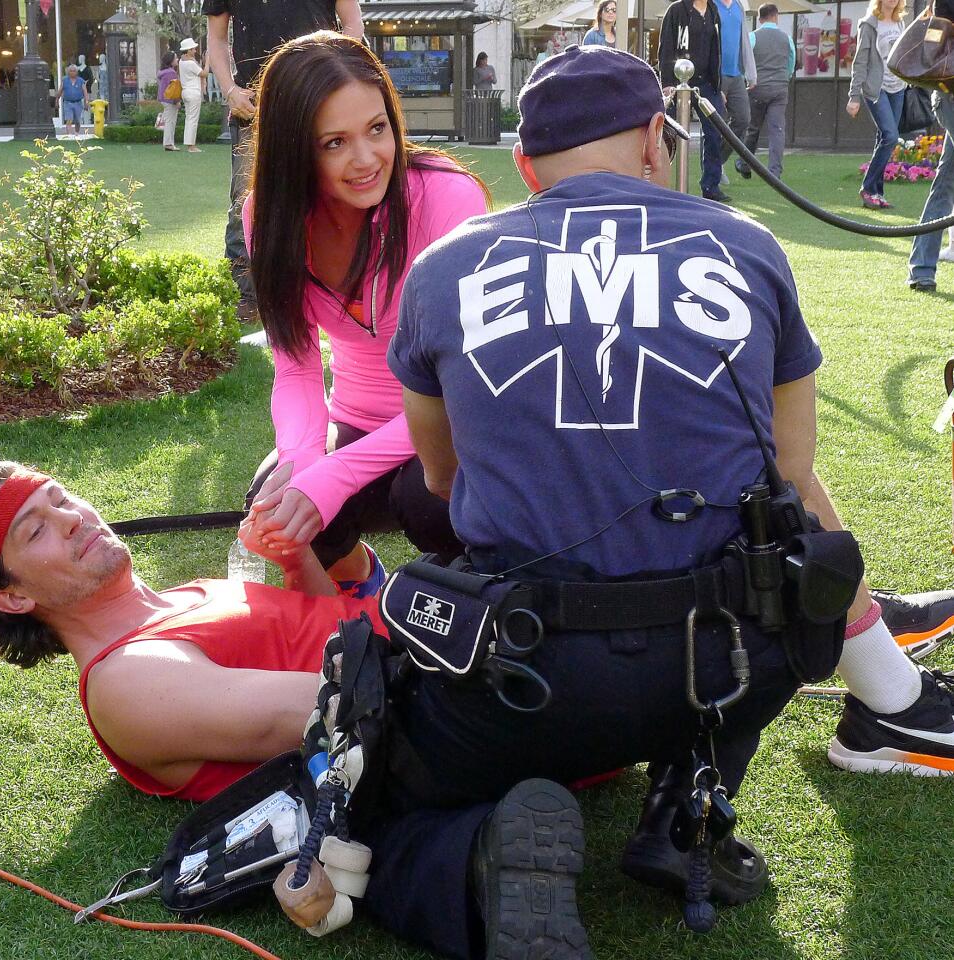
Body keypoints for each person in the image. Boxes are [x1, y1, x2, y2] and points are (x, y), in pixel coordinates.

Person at [377, 45, 954, 955]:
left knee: (379, 802)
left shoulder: (443, 270)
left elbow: (442, 482)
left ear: (524, 165)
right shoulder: (751, 246)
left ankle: (477, 854)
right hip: (724, 665)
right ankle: (688, 799)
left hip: (526, 678)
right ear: (656, 138)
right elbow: (792, 471)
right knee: (768, 551)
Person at [0, 461, 387, 802]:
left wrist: (294, 556)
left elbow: (326, 631)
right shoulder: (128, 679)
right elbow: (340, 708)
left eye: (60, 499)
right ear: (14, 598)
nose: (71, 520)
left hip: (414, 638)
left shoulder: (182, 598)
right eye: (35, 532)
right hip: (425, 679)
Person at [240, 32, 489, 596]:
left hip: (451, 422)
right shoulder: (270, 215)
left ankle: (468, 618)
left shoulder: (449, 200)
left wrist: (334, 475)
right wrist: (305, 462)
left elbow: (461, 387)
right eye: (334, 142)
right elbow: (297, 366)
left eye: (378, 129)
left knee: (428, 502)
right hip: (354, 417)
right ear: (293, 149)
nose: (366, 159)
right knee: (276, 500)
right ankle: (358, 596)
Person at [203, 0, 365, 324]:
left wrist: (334, 78)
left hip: (317, 96)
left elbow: (353, 26)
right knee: (245, 204)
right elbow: (216, 39)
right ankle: (246, 297)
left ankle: (334, 291)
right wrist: (230, 90)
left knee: (331, 194)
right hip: (252, 102)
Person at [659, 0, 731, 201]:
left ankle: (710, 186)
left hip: (706, 82)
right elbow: (666, 46)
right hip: (677, 80)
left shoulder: (713, 11)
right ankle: (661, 186)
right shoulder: (676, 10)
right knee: (667, 134)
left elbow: (716, 51)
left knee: (717, 130)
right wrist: (667, 82)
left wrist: (719, 86)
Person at [905, 0, 954, 291]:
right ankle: (921, 268)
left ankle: (921, 268)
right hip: (950, 95)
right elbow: (936, 38)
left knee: (945, 182)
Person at [847, 0, 907, 210]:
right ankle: (867, 187)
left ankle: (876, 194)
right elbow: (860, 61)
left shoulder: (901, 23)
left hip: (897, 87)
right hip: (876, 89)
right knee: (891, 136)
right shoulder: (869, 24)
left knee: (884, 138)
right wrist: (854, 96)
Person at [736, 4, 795, 182]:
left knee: (753, 128)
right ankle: (774, 172)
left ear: (760, 19)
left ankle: (744, 163)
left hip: (758, 88)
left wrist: (747, 79)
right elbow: (791, 62)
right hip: (780, 88)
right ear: (776, 16)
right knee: (777, 130)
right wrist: (786, 76)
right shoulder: (787, 38)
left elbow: (744, 59)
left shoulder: (753, 36)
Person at [714, 0, 757, 183]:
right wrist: (714, 80)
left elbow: (745, 39)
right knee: (714, 124)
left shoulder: (738, 6)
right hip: (716, 73)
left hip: (736, 73)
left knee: (743, 119)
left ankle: (718, 161)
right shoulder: (711, 5)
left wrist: (751, 72)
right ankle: (711, 170)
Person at [177, 37, 206, 154]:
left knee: (189, 118)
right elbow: (204, 73)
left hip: (186, 92)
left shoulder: (181, 61)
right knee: (193, 119)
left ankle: (189, 144)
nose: (195, 51)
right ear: (188, 50)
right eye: (193, 49)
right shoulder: (190, 63)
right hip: (193, 92)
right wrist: (207, 61)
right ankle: (191, 146)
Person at [157, 50, 182, 152]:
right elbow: (173, 89)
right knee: (170, 122)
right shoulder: (171, 73)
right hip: (170, 100)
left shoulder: (163, 73)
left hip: (164, 99)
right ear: (171, 61)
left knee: (169, 121)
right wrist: (177, 101)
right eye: (175, 58)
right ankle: (168, 143)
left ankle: (169, 143)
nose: (177, 60)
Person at [60, 63, 88, 136]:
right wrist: (56, 100)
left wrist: (86, 102)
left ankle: (76, 133)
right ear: (68, 72)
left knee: (77, 120)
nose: (72, 72)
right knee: (69, 119)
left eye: (74, 71)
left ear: (77, 72)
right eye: (71, 71)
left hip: (78, 103)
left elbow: (85, 92)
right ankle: (69, 135)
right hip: (67, 103)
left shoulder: (81, 81)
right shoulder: (65, 80)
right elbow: (60, 91)